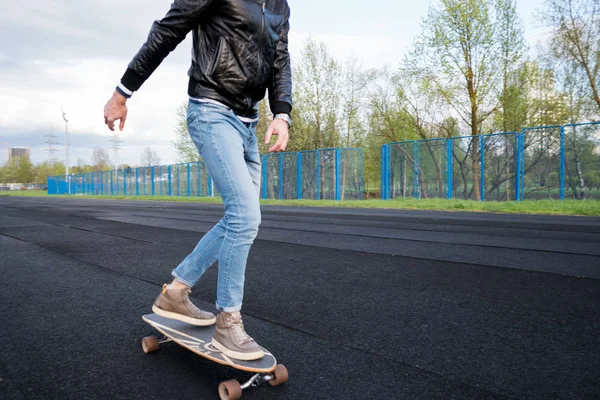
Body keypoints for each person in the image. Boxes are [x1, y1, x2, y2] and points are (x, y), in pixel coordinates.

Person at [103, 0, 292, 361]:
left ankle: (176, 291)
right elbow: (168, 30)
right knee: (245, 216)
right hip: (211, 111)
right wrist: (122, 93)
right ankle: (228, 323)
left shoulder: (280, 4)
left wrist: (282, 113)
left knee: (242, 218)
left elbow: (280, 58)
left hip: (249, 123)